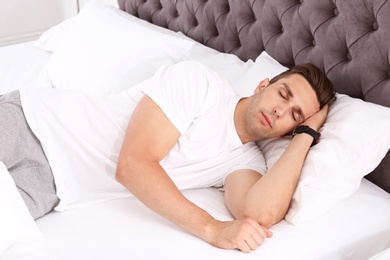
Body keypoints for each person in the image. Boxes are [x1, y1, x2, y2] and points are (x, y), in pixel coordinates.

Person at [1, 60, 335, 253]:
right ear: (263, 85)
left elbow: (261, 211)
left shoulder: (245, 162)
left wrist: (305, 136)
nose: (279, 111)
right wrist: (213, 229)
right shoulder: (200, 84)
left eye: (294, 114)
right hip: (33, 123)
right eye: (283, 94)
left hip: (53, 187)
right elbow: (133, 166)